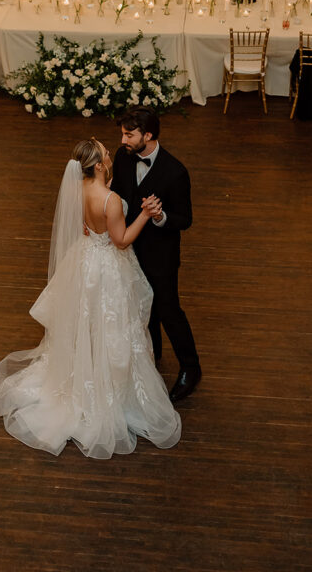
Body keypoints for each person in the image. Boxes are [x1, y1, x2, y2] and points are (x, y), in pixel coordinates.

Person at [0, 139, 182, 459]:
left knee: (86, 323)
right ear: (101, 166)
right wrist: (145, 214)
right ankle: (109, 390)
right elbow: (121, 241)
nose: (110, 154)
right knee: (112, 326)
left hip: (84, 261)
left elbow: (82, 228)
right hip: (106, 267)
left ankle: (83, 374)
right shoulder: (111, 200)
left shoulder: (76, 191)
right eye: (106, 153)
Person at [110, 106, 201, 403]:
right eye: (123, 133)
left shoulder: (175, 172)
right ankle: (153, 355)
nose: (123, 139)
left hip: (160, 255)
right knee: (140, 304)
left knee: (169, 311)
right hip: (128, 248)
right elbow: (119, 195)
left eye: (129, 134)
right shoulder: (123, 157)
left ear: (148, 135)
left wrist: (160, 217)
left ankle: (191, 368)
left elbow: (185, 219)